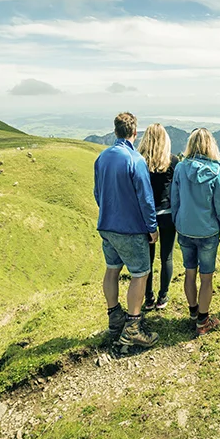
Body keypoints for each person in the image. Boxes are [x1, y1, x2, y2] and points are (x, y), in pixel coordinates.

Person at [93, 112, 159, 348]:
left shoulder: (102, 157)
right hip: (129, 228)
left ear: (115, 131)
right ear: (134, 132)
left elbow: (97, 193)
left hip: (106, 224)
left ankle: (114, 319)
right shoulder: (135, 159)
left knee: (111, 270)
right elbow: (145, 198)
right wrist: (152, 227)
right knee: (140, 274)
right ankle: (132, 328)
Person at [171, 129, 220, 337]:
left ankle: (193, 313)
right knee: (206, 277)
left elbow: (174, 199)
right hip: (208, 230)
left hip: (185, 228)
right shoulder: (216, 171)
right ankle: (203, 321)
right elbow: (218, 204)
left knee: (189, 272)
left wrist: (177, 220)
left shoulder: (180, 168)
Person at [137, 124, 179, 311]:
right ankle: (163, 296)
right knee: (167, 257)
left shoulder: (139, 161)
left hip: (146, 216)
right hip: (168, 214)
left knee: (148, 259)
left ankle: (148, 298)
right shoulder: (172, 161)